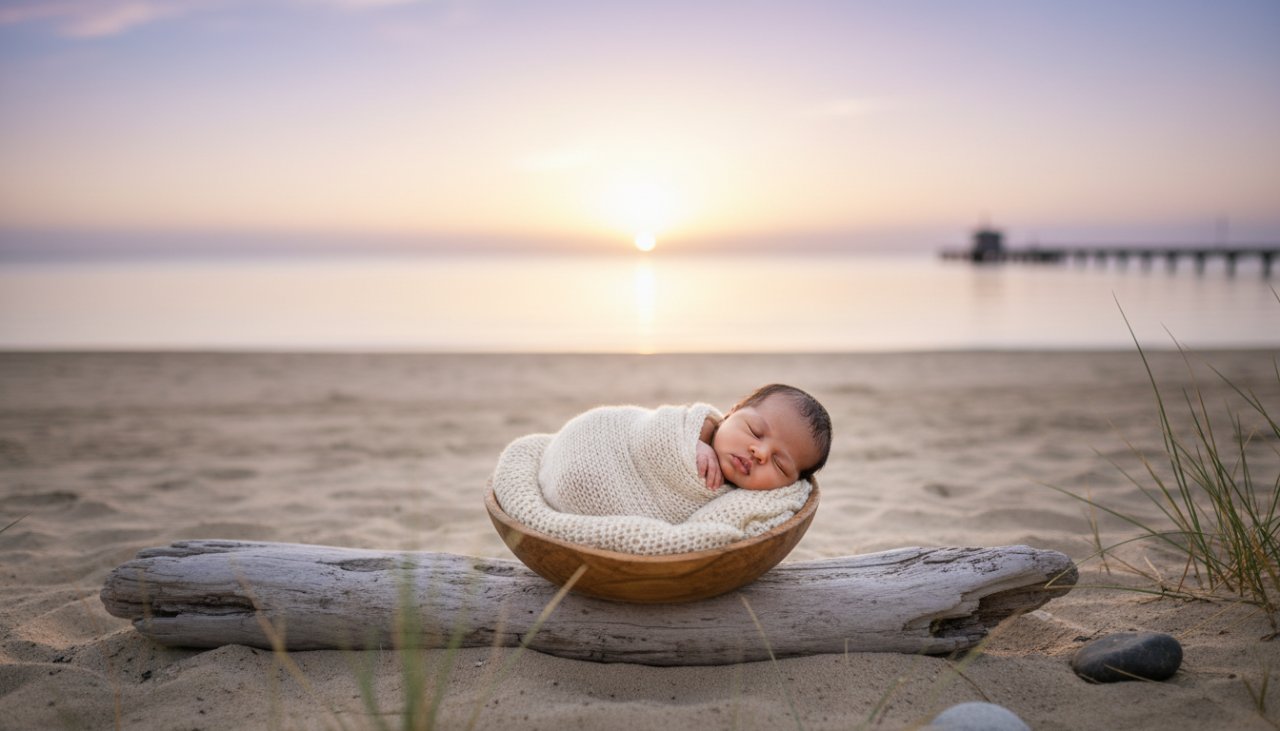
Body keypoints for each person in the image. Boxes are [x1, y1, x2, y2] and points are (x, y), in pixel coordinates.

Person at [537, 383, 831, 524]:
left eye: (779, 465)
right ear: (731, 414)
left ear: (790, 485)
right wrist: (692, 444)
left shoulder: (753, 503)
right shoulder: (698, 426)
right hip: (596, 439)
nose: (760, 452)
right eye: (755, 431)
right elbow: (651, 430)